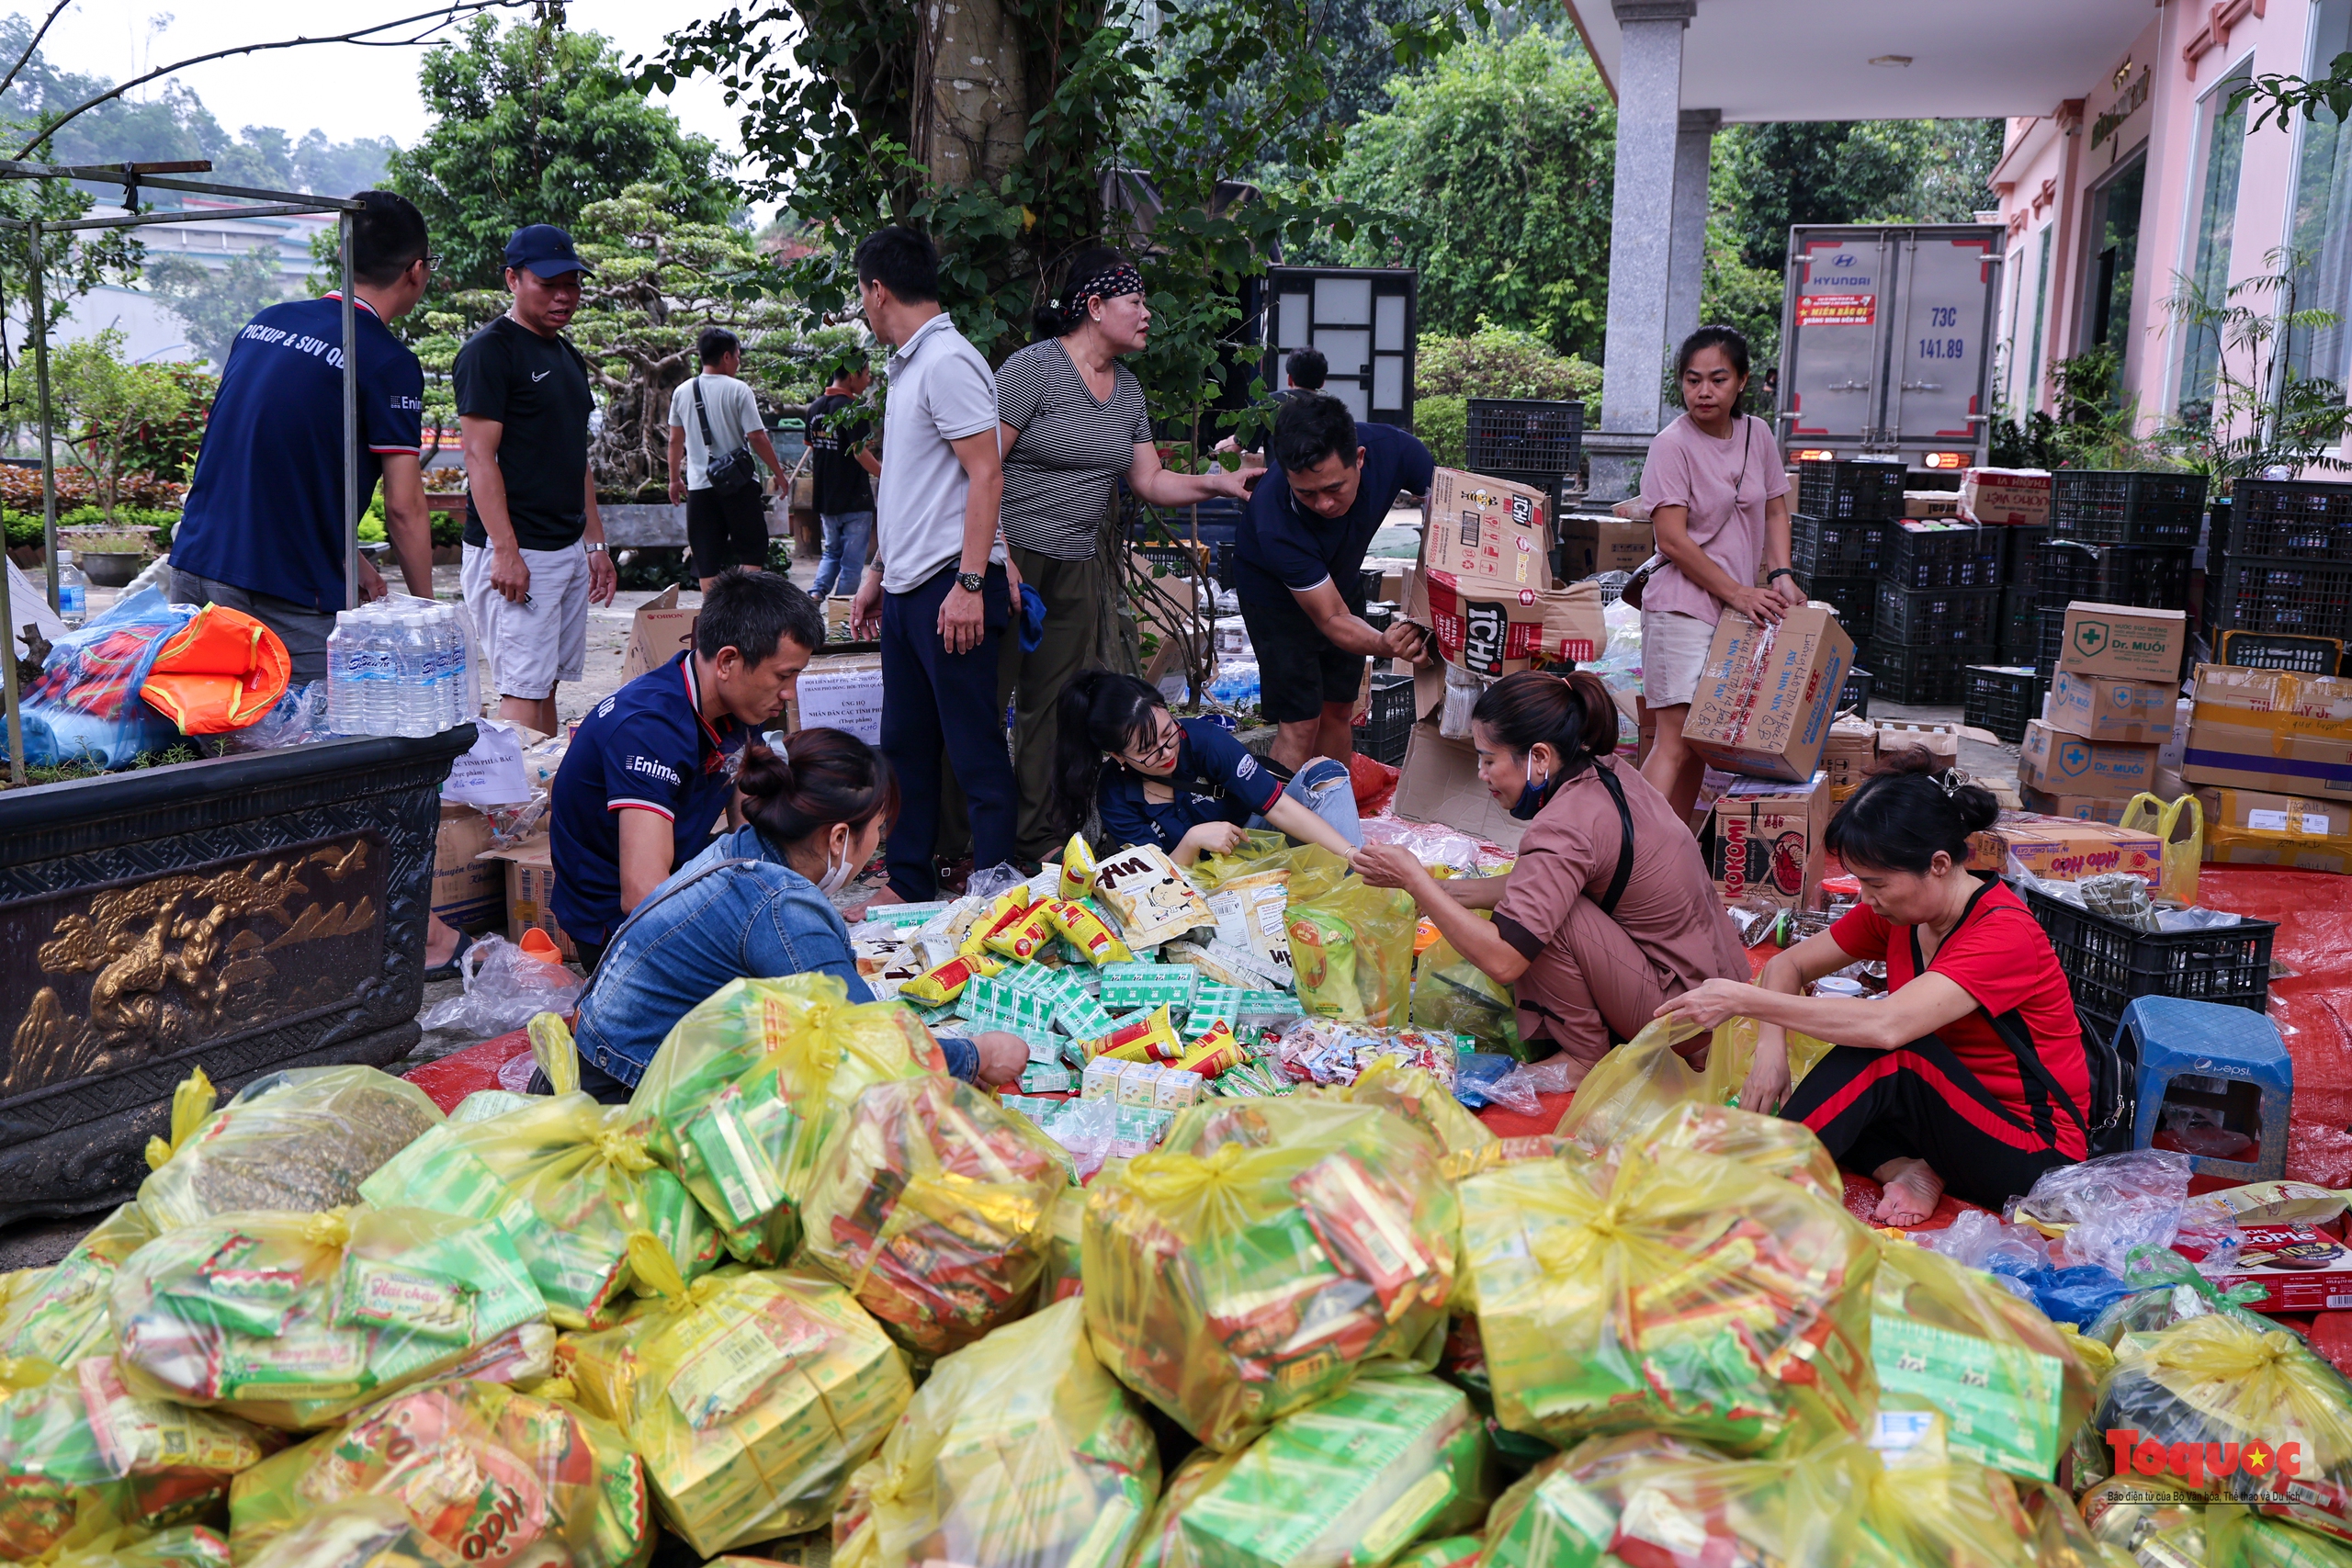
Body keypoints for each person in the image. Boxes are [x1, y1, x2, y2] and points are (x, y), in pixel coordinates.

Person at [1656, 755, 2091, 1226]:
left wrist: (1742, 999)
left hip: (2037, 1154)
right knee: (1835, 1089)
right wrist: (1769, 1049)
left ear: (1939, 865)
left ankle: (1749, 1192)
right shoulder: (1898, 913)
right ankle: (1907, 1168)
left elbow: (1888, 1029)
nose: (1865, 897)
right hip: (1950, 1119)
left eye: (1875, 883)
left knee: (1887, 1054)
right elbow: (1788, 963)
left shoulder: (2003, 934)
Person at [564, 728, 1028, 1100]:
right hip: (622, 1089)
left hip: (599, 1055)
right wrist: (976, 1054)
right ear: (839, 838)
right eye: (879, 832)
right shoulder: (782, 905)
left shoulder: (739, 849)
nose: (876, 849)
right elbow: (863, 1046)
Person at [1353, 671, 1747, 1079]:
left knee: (1542, 924)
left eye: (1489, 759)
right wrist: (1439, 891)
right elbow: (1540, 883)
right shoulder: (1607, 771)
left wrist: (1417, 882)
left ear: (1539, 758)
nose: (1481, 773)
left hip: (1687, 1018)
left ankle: (1581, 1058)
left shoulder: (1563, 826)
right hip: (1722, 991)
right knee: (1542, 906)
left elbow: (1505, 960)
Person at [995, 248, 1254, 861]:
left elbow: (1150, 481)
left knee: (1053, 711)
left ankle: (1040, 843)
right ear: (1093, 306)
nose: (1146, 315)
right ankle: (961, 846)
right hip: (1010, 559)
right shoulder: (1032, 370)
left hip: (1077, 563)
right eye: (1135, 302)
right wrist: (990, 555)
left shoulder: (1128, 390)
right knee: (983, 704)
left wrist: (1218, 482)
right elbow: (977, 471)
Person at [171, 189, 436, 678]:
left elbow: (267, 455)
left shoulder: (265, 323)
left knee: (205, 732)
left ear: (341, 253)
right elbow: (404, 507)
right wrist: (426, 612)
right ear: (416, 270)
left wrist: (347, 557)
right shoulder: (387, 361)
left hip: (194, 565)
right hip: (279, 593)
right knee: (313, 739)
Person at [846, 226, 1020, 900]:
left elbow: (987, 475)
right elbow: (909, 486)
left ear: (878, 289)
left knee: (974, 748)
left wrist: (972, 583)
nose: (864, 307)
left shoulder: (948, 360)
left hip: (954, 585)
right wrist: (876, 572)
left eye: (862, 294)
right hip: (910, 587)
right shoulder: (910, 364)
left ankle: (998, 888)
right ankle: (910, 878)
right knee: (907, 743)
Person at [550, 569, 822, 972]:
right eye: (784, 675)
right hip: (618, 923)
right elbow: (643, 894)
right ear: (728, 661)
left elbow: (750, 819)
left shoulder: (737, 700)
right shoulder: (649, 728)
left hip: (680, 869)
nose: (789, 693)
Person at [1637, 325, 1804, 822]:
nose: (1703, 392)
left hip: (1737, 611)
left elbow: (1775, 511)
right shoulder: (1671, 445)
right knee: (1675, 741)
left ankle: (1673, 855)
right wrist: (1738, 592)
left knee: (1698, 744)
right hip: (1681, 606)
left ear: (1741, 382)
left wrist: (1781, 574)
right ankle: (1622, 858)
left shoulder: (1758, 434)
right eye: (1692, 380)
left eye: (1717, 379)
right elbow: (1671, 539)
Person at [457, 223, 617, 735]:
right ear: (512, 280)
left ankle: (545, 804)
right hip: (518, 549)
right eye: (549, 284)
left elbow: (577, 456)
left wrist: (595, 544)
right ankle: (512, 812)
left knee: (545, 684)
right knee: (521, 691)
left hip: (565, 544)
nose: (564, 295)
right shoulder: (490, 351)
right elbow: (479, 458)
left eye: (572, 283)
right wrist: (505, 550)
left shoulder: (567, 355)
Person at [1232, 391, 1433, 772]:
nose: (1323, 504)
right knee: (1301, 722)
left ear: (1359, 459)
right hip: (1274, 596)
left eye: (1334, 488)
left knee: (1340, 707)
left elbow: (1450, 509)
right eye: (1306, 492)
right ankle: (1274, 827)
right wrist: (1383, 643)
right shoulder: (1276, 521)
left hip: (1340, 575)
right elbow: (1331, 619)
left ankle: (1334, 817)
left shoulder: (1396, 450)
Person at [1055, 671, 1361, 864]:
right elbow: (1154, 878)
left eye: (1168, 733)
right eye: (1147, 750)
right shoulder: (1115, 794)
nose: (1166, 752)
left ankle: (1363, 886)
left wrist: (1352, 854)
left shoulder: (1201, 740)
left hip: (1253, 841)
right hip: (1193, 885)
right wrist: (1193, 841)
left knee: (1324, 773)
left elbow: (1277, 808)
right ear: (1118, 756)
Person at [667, 326, 787, 593]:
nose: (739, 361)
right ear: (726, 357)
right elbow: (757, 437)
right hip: (739, 485)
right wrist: (778, 473)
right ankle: (742, 609)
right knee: (752, 550)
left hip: (699, 485)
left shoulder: (682, 391)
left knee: (706, 557)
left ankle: (713, 615)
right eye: (737, 355)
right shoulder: (739, 389)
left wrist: (674, 479)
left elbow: (675, 440)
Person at [806, 352, 882, 599]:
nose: (869, 380)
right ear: (852, 374)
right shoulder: (855, 410)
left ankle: (816, 595)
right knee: (851, 563)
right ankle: (841, 612)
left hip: (826, 499)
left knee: (831, 553)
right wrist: (886, 474)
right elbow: (860, 453)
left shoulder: (815, 408)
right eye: (867, 373)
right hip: (854, 498)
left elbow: (811, 445)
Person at [1215, 346, 1328, 455]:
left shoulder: (1270, 402)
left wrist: (1220, 446)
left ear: (1290, 379)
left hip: (1283, 475)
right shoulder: (1332, 410)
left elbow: (1237, 444)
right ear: (1322, 383)